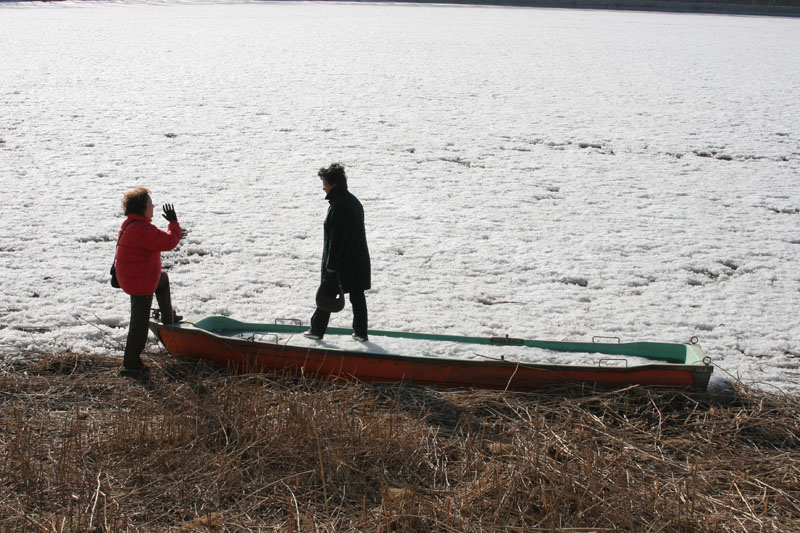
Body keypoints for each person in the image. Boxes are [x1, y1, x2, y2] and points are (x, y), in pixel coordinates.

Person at [115, 187, 183, 376]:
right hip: (139, 281)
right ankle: (131, 363)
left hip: (132, 275)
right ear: (142, 208)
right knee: (139, 323)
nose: (153, 206)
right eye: (150, 203)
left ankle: (167, 315)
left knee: (162, 280)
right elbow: (169, 242)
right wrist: (173, 223)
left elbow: (155, 239)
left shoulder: (130, 224)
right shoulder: (144, 229)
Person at [305, 163, 371, 341]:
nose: (323, 186)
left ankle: (316, 331)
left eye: (324, 182)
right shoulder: (351, 200)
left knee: (327, 293)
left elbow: (337, 241)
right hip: (358, 261)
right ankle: (361, 333)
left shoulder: (339, 207)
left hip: (342, 263)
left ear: (334, 184)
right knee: (357, 297)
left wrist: (331, 268)